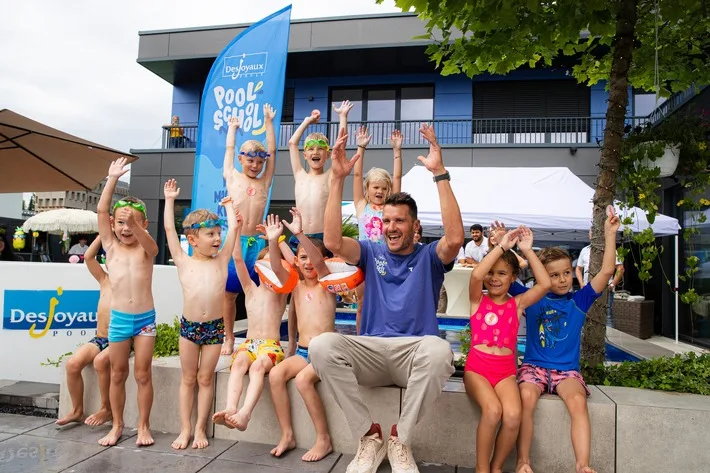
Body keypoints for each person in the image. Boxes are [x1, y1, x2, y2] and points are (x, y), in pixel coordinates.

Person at [310, 124, 465, 473]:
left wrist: (440, 174)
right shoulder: (370, 251)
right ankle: (370, 436)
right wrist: (336, 180)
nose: (392, 227)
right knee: (321, 346)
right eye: (387, 220)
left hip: (413, 353)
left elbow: (455, 238)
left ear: (414, 225)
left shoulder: (428, 257)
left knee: (441, 352)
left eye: (400, 221)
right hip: (372, 351)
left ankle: (399, 438)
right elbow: (333, 242)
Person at [512, 211, 621, 473]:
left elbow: (607, 271)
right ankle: (523, 462)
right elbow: (499, 278)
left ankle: (582, 464)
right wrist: (507, 249)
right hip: (533, 368)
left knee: (577, 401)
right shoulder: (531, 298)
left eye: (567, 273)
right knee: (525, 397)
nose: (562, 279)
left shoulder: (578, 301)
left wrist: (610, 234)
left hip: (567, 372)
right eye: (555, 275)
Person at [465, 226, 550, 473]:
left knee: (513, 416)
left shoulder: (517, 304)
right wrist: (501, 247)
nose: (494, 278)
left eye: (502, 273)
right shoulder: (477, 300)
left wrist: (526, 250)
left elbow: (544, 283)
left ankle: (496, 467)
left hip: (505, 373)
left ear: (513, 277)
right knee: (493, 411)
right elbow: (475, 275)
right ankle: (482, 469)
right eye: (491, 273)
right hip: (477, 370)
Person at [163, 179, 239, 450]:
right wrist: (170, 199)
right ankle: (184, 428)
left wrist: (229, 207)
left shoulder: (221, 261)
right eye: (211, 235)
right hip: (190, 328)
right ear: (193, 239)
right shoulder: (183, 261)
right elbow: (170, 229)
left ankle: (199, 428)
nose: (218, 238)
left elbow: (234, 232)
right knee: (188, 378)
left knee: (205, 378)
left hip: (214, 328)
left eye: (218, 233)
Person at [96, 157, 159, 447]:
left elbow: (152, 245)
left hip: (144, 319)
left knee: (143, 374)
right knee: (118, 374)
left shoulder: (146, 249)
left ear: (144, 224)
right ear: (112, 224)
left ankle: (143, 426)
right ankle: (118, 424)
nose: (126, 228)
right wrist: (111, 179)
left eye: (132, 223)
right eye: (121, 222)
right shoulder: (110, 247)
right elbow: (101, 209)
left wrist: (138, 228)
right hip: (120, 319)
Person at [212, 213, 296, 431]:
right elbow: (238, 259)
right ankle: (230, 408)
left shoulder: (280, 293)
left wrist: (274, 241)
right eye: (265, 265)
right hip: (249, 344)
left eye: (273, 266)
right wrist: (237, 229)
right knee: (239, 364)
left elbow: (286, 267)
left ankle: (245, 414)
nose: (270, 270)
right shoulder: (249, 288)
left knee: (258, 368)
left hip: (270, 346)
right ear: (258, 267)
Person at [269, 208, 335, 462]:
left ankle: (324, 439)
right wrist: (274, 241)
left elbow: (319, 263)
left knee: (303, 381)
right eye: (303, 257)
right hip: (304, 352)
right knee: (275, 375)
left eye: (313, 258)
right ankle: (287, 434)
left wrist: (299, 234)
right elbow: (276, 266)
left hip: (324, 353)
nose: (309, 263)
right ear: (296, 260)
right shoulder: (295, 284)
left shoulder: (327, 283)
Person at [221, 104, 278, 356]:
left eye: (258, 162)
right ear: (241, 159)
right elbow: (229, 148)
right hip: (234, 241)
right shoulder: (232, 176)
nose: (255, 166)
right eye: (250, 161)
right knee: (229, 294)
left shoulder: (265, 181)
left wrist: (268, 122)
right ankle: (228, 337)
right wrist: (232, 129)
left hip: (255, 243)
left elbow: (273, 152)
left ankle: (256, 337)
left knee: (258, 293)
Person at [55, 237, 112, 427]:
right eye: (110, 259)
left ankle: (107, 408)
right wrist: (104, 234)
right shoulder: (104, 279)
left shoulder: (129, 282)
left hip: (120, 340)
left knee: (101, 362)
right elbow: (88, 257)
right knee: (72, 365)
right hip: (100, 338)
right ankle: (77, 410)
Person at [352, 126, 403, 333]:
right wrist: (361, 147)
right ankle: (359, 340)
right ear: (368, 189)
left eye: (384, 187)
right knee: (362, 304)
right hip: (364, 260)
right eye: (376, 187)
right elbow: (356, 175)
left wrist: (397, 151)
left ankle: (387, 337)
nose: (380, 191)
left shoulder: (391, 207)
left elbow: (398, 179)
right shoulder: (361, 206)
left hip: (387, 259)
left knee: (388, 303)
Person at [575, 228, 624, 324]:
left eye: (595, 233)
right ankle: (588, 338)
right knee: (585, 314)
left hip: (605, 288)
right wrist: (581, 284)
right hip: (587, 288)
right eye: (591, 233)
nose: (593, 235)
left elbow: (620, 268)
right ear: (589, 235)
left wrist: (613, 284)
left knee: (607, 316)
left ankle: (606, 339)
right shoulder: (584, 250)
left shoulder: (610, 250)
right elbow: (578, 269)